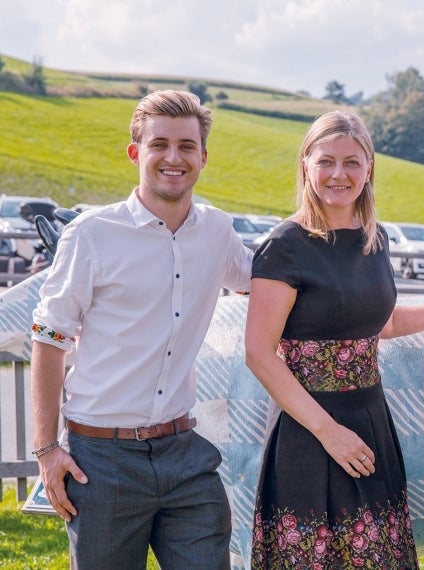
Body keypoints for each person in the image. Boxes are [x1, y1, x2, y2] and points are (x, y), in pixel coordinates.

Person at [29, 90, 253, 568]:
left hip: (184, 454)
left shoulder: (218, 232)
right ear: (137, 153)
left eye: (187, 146)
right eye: (160, 145)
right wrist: (47, 450)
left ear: (204, 156)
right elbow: (48, 339)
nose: (174, 158)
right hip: (100, 461)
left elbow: (273, 284)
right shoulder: (91, 235)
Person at [245, 110, 424, 569]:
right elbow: (258, 353)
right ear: (306, 166)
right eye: (327, 161)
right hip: (307, 428)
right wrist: (329, 433)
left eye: (352, 162)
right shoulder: (285, 246)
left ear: (369, 167)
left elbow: (383, 324)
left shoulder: (377, 240)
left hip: (371, 421)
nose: (339, 174)